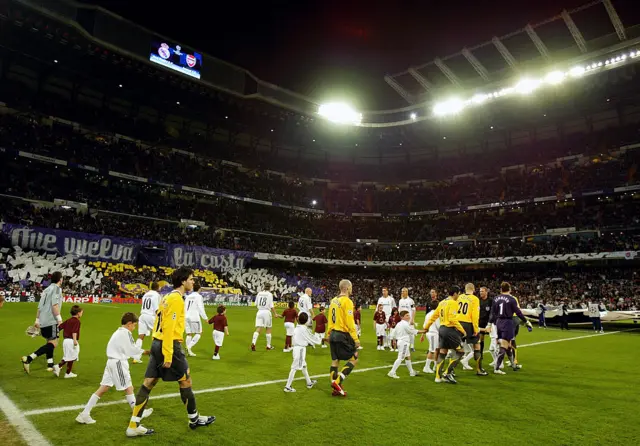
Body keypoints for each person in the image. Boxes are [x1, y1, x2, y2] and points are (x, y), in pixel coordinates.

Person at [126, 267, 215, 437]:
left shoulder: (167, 297)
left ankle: (133, 425)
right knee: (186, 381)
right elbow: (168, 328)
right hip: (170, 345)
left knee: (148, 383)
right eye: (191, 279)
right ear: (183, 281)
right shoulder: (176, 300)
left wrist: (157, 348)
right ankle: (194, 419)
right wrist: (167, 354)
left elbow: (159, 322)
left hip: (157, 342)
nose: (193, 282)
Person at [76, 312, 153, 425]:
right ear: (129, 323)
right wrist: (148, 352)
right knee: (128, 387)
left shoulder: (118, 332)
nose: (134, 328)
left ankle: (85, 414)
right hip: (118, 362)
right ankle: (138, 413)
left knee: (103, 388)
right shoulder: (125, 333)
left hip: (111, 362)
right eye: (134, 325)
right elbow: (132, 350)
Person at [22, 271, 64, 374]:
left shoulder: (46, 290)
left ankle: (50, 363)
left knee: (49, 342)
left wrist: (37, 320)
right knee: (54, 343)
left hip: (43, 321)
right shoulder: (57, 289)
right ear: (60, 279)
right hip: (51, 320)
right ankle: (29, 358)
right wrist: (59, 319)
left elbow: (39, 307)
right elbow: (55, 305)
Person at [424, 286, 467, 384]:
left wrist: (426, 327)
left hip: (442, 329)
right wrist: (463, 330)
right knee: (461, 352)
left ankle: (437, 377)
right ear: (455, 293)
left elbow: (434, 316)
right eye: (459, 294)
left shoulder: (442, 302)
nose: (459, 296)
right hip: (449, 330)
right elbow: (453, 319)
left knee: (443, 352)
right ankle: (447, 372)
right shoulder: (453, 303)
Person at [489, 282, 532, 375]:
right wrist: (526, 321)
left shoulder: (496, 298)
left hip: (498, 322)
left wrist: (489, 324)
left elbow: (493, 313)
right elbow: (518, 312)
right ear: (510, 289)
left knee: (508, 345)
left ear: (501, 289)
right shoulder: (512, 299)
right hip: (507, 322)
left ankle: (513, 364)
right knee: (504, 345)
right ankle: (496, 368)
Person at [327, 279, 360, 397]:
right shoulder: (347, 301)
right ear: (347, 288)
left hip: (333, 334)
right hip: (342, 334)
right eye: (351, 287)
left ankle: (335, 388)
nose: (351, 290)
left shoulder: (333, 301)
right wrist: (355, 339)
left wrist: (328, 334)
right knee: (354, 357)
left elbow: (330, 319)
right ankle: (337, 382)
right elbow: (350, 321)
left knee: (335, 361)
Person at [283, 312, 321, 392]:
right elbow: (312, 338)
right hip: (300, 350)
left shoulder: (297, 327)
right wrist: (320, 339)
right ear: (306, 320)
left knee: (304, 366)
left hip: (297, 348)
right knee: (294, 368)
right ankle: (287, 387)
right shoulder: (304, 329)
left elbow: (304, 338)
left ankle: (309, 383)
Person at [458, 283, 486, 376]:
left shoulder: (459, 297)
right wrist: (475, 328)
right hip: (468, 324)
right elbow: (475, 315)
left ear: (465, 289)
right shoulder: (475, 299)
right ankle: (479, 370)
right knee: (477, 346)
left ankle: (450, 371)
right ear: (473, 289)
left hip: (458, 323)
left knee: (456, 347)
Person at [387, 311, 420, 379]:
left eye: (408, 315)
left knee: (408, 356)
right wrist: (424, 331)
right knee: (401, 358)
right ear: (402, 317)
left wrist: (393, 340)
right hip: (404, 343)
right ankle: (392, 372)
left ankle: (411, 372)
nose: (409, 317)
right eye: (407, 315)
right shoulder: (405, 324)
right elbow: (411, 331)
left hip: (401, 342)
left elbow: (393, 333)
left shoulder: (399, 323)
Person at [53, 305, 83, 378]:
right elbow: (74, 331)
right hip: (71, 341)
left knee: (70, 356)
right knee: (72, 356)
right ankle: (58, 366)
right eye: (82, 312)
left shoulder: (68, 320)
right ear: (78, 313)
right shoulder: (77, 321)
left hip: (66, 341)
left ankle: (68, 373)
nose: (82, 314)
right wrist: (75, 340)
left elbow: (59, 327)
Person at [133, 282, 160, 363]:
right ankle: (155, 355)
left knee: (141, 336)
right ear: (158, 288)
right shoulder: (156, 295)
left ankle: (136, 357)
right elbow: (156, 308)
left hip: (142, 316)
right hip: (150, 316)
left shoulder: (146, 294)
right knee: (158, 335)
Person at [251, 284, 281, 351]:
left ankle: (253, 342)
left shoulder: (259, 293)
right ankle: (268, 346)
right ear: (269, 288)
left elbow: (256, 304)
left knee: (258, 328)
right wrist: (275, 314)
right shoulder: (269, 294)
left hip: (259, 312)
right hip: (266, 312)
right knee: (268, 329)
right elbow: (271, 305)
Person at [184, 282, 208, 357]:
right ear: (199, 289)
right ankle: (188, 347)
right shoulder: (198, 296)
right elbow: (200, 308)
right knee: (199, 333)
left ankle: (189, 352)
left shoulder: (188, 296)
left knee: (189, 333)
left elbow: (184, 306)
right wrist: (205, 318)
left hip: (186, 316)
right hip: (194, 317)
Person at [420, 304, 441, 373]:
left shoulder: (428, 314)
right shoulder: (437, 314)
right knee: (432, 350)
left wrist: (423, 335)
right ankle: (426, 367)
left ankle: (435, 366)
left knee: (436, 349)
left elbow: (424, 325)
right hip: (433, 333)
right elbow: (438, 325)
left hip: (430, 333)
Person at [477, 286, 493, 367]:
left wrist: (490, 323)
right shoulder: (478, 301)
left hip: (488, 323)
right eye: (480, 291)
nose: (481, 293)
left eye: (482, 291)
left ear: (486, 292)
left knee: (494, 340)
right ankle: (480, 353)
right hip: (479, 322)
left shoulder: (490, 301)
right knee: (480, 339)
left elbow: (492, 312)